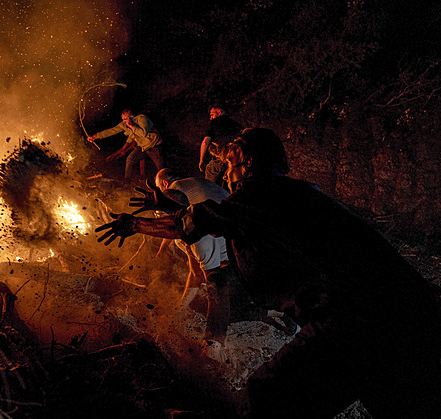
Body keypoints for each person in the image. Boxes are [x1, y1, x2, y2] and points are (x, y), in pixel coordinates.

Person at [96, 128, 441, 418]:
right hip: (409, 320)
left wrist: (134, 224)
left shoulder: (259, 192)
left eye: (229, 165)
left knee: (265, 397)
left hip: (353, 321)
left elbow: (196, 222)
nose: (227, 175)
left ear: (247, 164)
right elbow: (224, 216)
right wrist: (165, 203)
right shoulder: (295, 195)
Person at [133, 168, 295, 351]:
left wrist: (212, 342)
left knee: (219, 293)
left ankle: (215, 346)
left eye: (164, 224)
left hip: (250, 255)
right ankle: (276, 311)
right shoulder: (189, 192)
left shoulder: (199, 236)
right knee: (220, 301)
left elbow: (212, 282)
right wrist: (179, 309)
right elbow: (194, 268)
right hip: (245, 247)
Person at [87, 109, 164, 179]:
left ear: (131, 117)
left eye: (125, 119)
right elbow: (111, 131)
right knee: (130, 159)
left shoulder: (142, 119)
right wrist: (94, 137)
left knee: (161, 169)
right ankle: (127, 181)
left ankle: (164, 186)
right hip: (142, 147)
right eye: (122, 119)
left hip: (154, 146)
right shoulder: (124, 125)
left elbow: (143, 133)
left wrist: (131, 125)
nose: (124, 121)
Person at [198, 105, 242, 187]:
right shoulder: (236, 125)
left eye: (212, 115)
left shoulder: (214, 123)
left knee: (211, 185)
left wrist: (201, 160)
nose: (211, 118)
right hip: (234, 162)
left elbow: (205, 141)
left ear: (218, 112)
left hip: (220, 158)